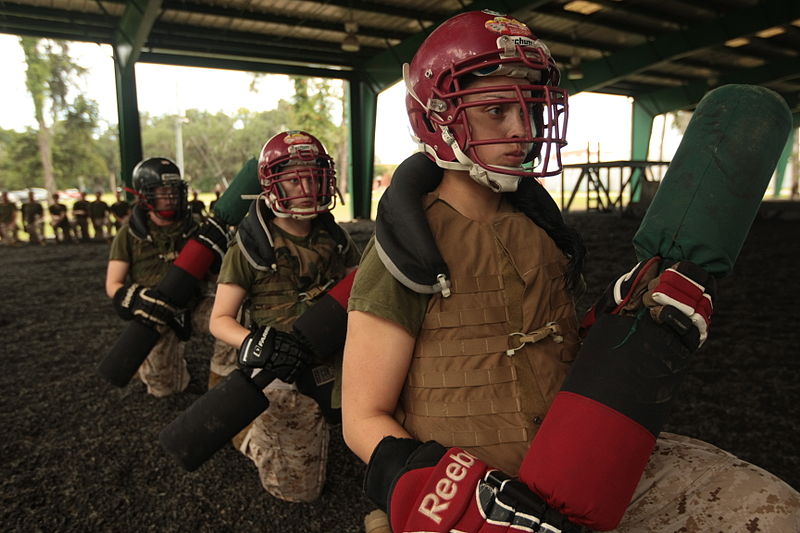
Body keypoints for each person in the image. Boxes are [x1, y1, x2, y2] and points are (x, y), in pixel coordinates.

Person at [342, 10, 799, 533]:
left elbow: (548, 351)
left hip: (577, 459)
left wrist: (619, 317)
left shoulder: (542, 233)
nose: (524, 131)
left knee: (773, 513)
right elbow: (362, 419)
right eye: (496, 111)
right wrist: (464, 499)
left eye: (529, 111)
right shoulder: (405, 252)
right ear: (440, 118)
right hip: (472, 492)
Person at [209, 130, 361, 503]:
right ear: (274, 185)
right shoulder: (251, 246)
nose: (306, 186)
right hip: (280, 367)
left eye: (313, 176)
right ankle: (248, 435)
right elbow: (219, 319)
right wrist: (254, 343)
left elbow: (361, 287)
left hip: (333, 353)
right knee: (299, 493)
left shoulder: (335, 238)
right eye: (294, 179)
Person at [106, 157, 211, 397]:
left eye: (174, 190)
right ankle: (162, 366)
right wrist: (138, 300)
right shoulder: (129, 233)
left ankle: (221, 375)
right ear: (144, 195)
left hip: (194, 305)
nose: (170, 196)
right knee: (164, 389)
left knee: (236, 317)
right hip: (155, 313)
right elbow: (113, 284)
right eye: (163, 191)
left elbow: (219, 274)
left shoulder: (196, 227)